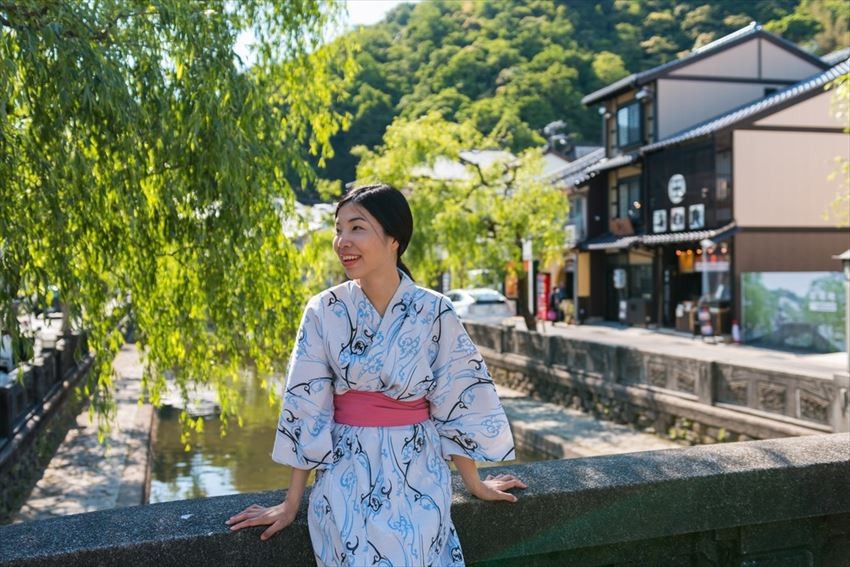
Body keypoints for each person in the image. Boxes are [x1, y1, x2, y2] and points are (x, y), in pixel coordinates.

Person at [227, 184, 525, 566]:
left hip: (419, 470)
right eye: (338, 229)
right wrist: (290, 504)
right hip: (345, 471)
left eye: (357, 228)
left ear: (394, 239)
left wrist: (475, 484)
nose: (342, 241)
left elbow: (457, 399)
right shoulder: (324, 309)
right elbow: (307, 405)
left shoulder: (434, 310)